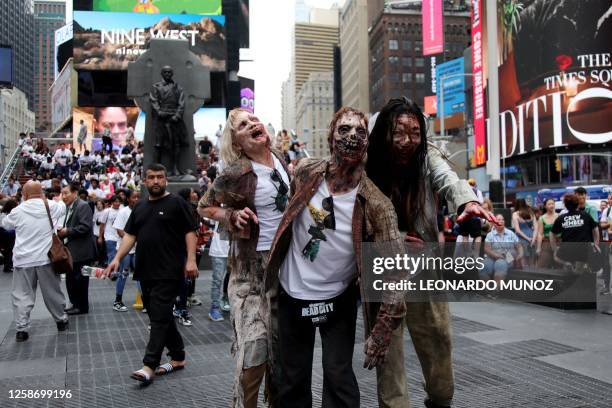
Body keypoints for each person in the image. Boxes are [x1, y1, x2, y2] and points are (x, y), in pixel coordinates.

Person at [366, 98, 496, 408]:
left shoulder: (428, 157)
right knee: (390, 358)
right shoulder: (367, 165)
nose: (406, 141)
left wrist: (467, 203)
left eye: (414, 133)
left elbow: (449, 180)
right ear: (384, 133)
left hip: (425, 271)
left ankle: (440, 401)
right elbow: (354, 219)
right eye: (397, 133)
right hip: (383, 273)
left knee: (440, 341)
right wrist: (395, 239)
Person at [197, 108, 290, 408]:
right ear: (236, 142)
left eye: (253, 120)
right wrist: (231, 214)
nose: (252, 124)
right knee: (253, 352)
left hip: (285, 270)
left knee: (279, 356)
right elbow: (204, 206)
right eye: (243, 125)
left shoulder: (281, 161)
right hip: (249, 275)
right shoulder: (235, 172)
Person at [104, 163, 199, 386]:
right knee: (161, 315)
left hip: (169, 270)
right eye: (151, 177)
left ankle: (149, 365)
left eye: (159, 177)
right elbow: (130, 236)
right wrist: (117, 258)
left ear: (165, 180)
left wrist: (192, 260)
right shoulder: (139, 207)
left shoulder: (176, 203)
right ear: (145, 181)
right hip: (145, 271)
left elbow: (190, 231)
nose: (155, 181)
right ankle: (177, 357)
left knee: (158, 316)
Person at [0, 181, 69, 342]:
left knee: (22, 295)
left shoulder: (18, 210)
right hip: (46, 258)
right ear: (42, 192)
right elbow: (63, 206)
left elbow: (5, 224)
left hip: (23, 260)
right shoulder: (51, 206)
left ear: (24, 194)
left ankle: (22, 329)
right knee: (53, 292)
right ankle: (60, 320)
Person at [58, 183, 96, 315]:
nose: (63, 196)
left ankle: (81, 306)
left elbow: (85, 227)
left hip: (82, 252)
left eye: (66, 193)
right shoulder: (69, 207)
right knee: (71, 279)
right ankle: (75, 303)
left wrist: (67, 231)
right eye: (62, 193)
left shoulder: (83, 206)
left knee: (80, 280)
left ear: (75, 193)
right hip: (72, 251)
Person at [550, 193, 599, 267]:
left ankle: (568, 265)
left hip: (568, 251)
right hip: (584, 250)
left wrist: (555, 248)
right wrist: (596, 244)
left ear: (565, 205)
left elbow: (552, 233)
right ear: (578, 204)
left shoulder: (561, 218)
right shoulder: (585, 215)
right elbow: (596, 229)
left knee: (556, 256)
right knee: (585, 261)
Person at [112, 190, 140, 312]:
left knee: (141, 275)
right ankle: (117, 301)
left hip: (138, 249)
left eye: (139, 197)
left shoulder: (142, 210)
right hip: (125, 250)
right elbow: (119, 231)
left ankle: (145, 300)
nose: (137, 199)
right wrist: (132, 240)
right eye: (134, 197)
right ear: (128, 199)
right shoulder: (123, 212)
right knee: (123, 274)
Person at [482, 214, 524, 284]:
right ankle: (487, 290)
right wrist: (496, 255)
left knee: (500, 264)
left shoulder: (511, 233)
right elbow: (487, 249)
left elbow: (519, 247)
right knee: (483, 266)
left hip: (508, 256)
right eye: (498, 220)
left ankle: (495, 292)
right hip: (492, 257)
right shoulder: (490, 235)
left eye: (502, 219)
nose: (501, 221)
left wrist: (520, 255)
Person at [100, 195, 122, 289]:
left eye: (119, 201)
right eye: (115, 201)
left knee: (118, 256)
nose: (117, 203)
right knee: (112, 255)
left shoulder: (122, 210)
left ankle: (117, 272)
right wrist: (100, 236)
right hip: (109, 236)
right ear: (112, 202)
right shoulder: (107, 211)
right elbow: (102, 224)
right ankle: (112, 273)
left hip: (120, 237)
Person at [512, 198, 537, 267]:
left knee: (523, 259)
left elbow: (517, 230)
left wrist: (528, 239)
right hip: (532, 237)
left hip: (521, 238)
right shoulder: (531, 212)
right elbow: (536, 228)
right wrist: (533, 239)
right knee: (532, 260)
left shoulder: (515, 214)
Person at [536, 198, 559, 268]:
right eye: (549, 204)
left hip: (558, 242)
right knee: (542, 265)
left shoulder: (559, 216)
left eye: (553, 204)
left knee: (560, 266)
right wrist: (538, 247)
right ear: (545, 206)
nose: (551, 206)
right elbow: (540, 234)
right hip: (547, 243)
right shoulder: (541, 218)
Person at [0, 199, 18, 273]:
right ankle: (8, 266)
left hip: (6, 233)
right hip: (4, 233)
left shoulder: (5, 213)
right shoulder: (4, 214)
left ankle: (8, 265)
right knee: (9, 249)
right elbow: (4, 226)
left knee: (8, 250)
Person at [599, 194, 612, 295]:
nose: (609, 201)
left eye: (611, 199)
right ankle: (606, 287)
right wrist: (609, 224)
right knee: (606, 265)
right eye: (609, 199)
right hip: (608, 241)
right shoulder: (606, 211)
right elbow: (602, 225)